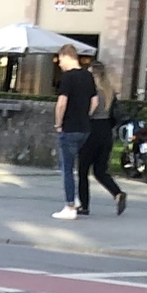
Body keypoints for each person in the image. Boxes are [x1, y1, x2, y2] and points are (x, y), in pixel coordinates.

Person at [75, 48, 126, 217]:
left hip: (92, 130)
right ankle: (117, 193)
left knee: (83, 170)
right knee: (100, 170)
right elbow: (114, 115)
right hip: (106, 132)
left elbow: (90, 110)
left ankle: (84, 205)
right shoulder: (110, 92)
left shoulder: (93, 92)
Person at [53, 43, 97, 218]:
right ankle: (76, 199)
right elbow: (94, 102)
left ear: (66, 56)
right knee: (67, 164)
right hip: (84, 128)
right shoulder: (88, 76)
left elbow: (61, 103)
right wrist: (85, 115)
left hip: (69, 128)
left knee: (67, 169)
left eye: (60, 59)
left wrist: (58, 123)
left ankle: (70, 206)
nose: (59, 63)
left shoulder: (68, 78)